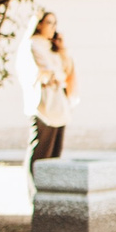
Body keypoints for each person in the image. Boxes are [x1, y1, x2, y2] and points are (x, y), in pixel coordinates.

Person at [26, 11, 74, 169]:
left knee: (55, 150)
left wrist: (61, 49)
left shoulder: (51, 46)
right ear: (39, 24)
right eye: (49, 22)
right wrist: (57, 75)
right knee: (41, 150)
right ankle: (35, 188)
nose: (53, 27)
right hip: (44, 103)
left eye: (55, 23)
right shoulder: (34, 44)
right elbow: (48, 70)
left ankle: (51, 187)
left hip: (59, 103)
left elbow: (65, 71)